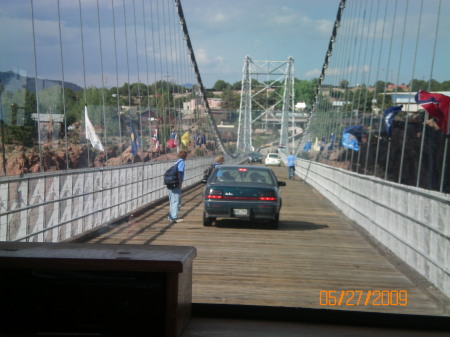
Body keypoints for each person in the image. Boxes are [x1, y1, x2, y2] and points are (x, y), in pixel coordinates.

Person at [168, 150, 188, 224]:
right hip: (176, 183)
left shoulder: (176, 162)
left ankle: (171, 216)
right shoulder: (181, 162)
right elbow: (179, 172)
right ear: (185, 156)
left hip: (171, 183)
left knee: (172, 201)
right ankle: (174, 217)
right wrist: (180, 183)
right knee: (176, 201)